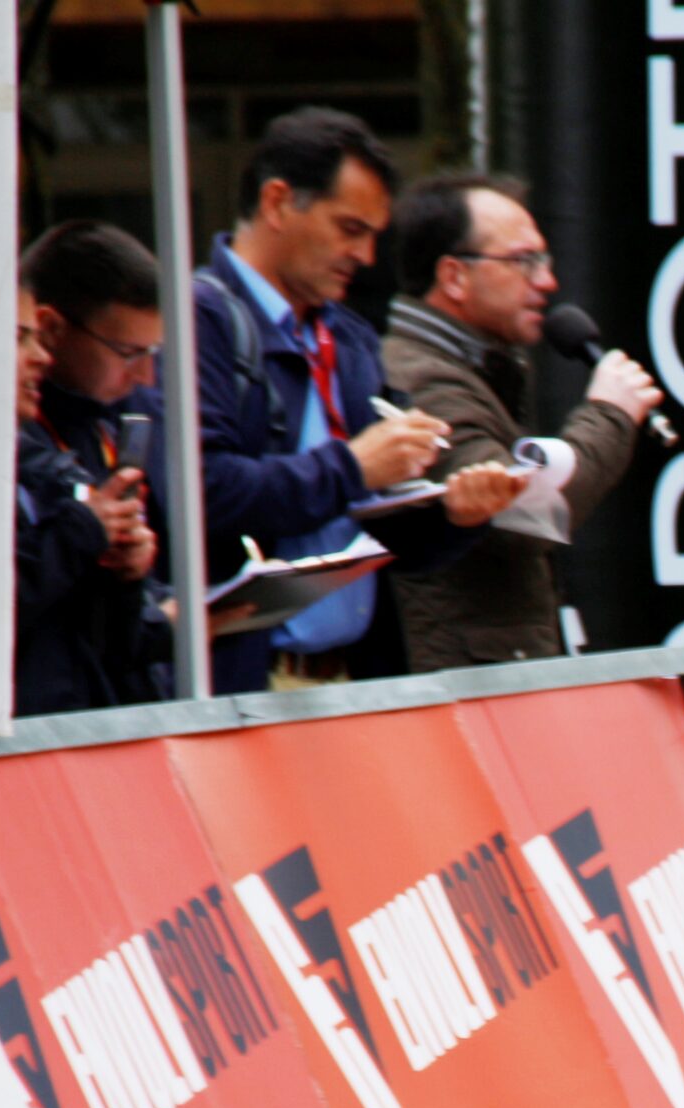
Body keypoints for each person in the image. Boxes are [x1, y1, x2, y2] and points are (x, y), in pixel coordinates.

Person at [186, 107, 524, 693]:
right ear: (277, 203)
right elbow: (205, 495)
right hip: (243, 689)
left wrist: (455, 515)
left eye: (374, 235)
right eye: (350, 229)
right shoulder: (199, 320)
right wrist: (354, 465)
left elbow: (387, 532)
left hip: (352, 684)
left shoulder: (347, 338)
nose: (366, 257)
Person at [381, 172, 664, 669]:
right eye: (522, 261)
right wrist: (610, 415)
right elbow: (528, 517)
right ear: (453, 276)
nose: (547, 281)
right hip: (463, 689)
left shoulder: (478, 363)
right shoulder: (419, 381)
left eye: (544, 259)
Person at [18, 221, 170, 711]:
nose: (145, 376)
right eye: (128, 353)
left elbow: (104, 643)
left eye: (152, 355)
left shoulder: (108, 426)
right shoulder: (13, 448)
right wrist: (82, 530)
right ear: (55, 327)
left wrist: (130, 577)